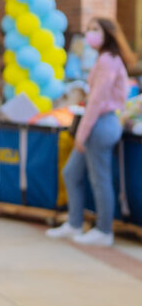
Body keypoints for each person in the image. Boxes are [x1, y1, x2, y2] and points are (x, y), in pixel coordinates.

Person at [47, 17, 135, 246]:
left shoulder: (107, 60)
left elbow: (97, 101)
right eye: (88, 29)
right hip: (98, 124)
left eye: (95, 29)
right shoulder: (104, 59)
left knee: (100, 180)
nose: (89, 34)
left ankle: (104, 231)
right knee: (71, 173)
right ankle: (75, 222)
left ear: (107, 33)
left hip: (101, 125)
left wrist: (82, 134)